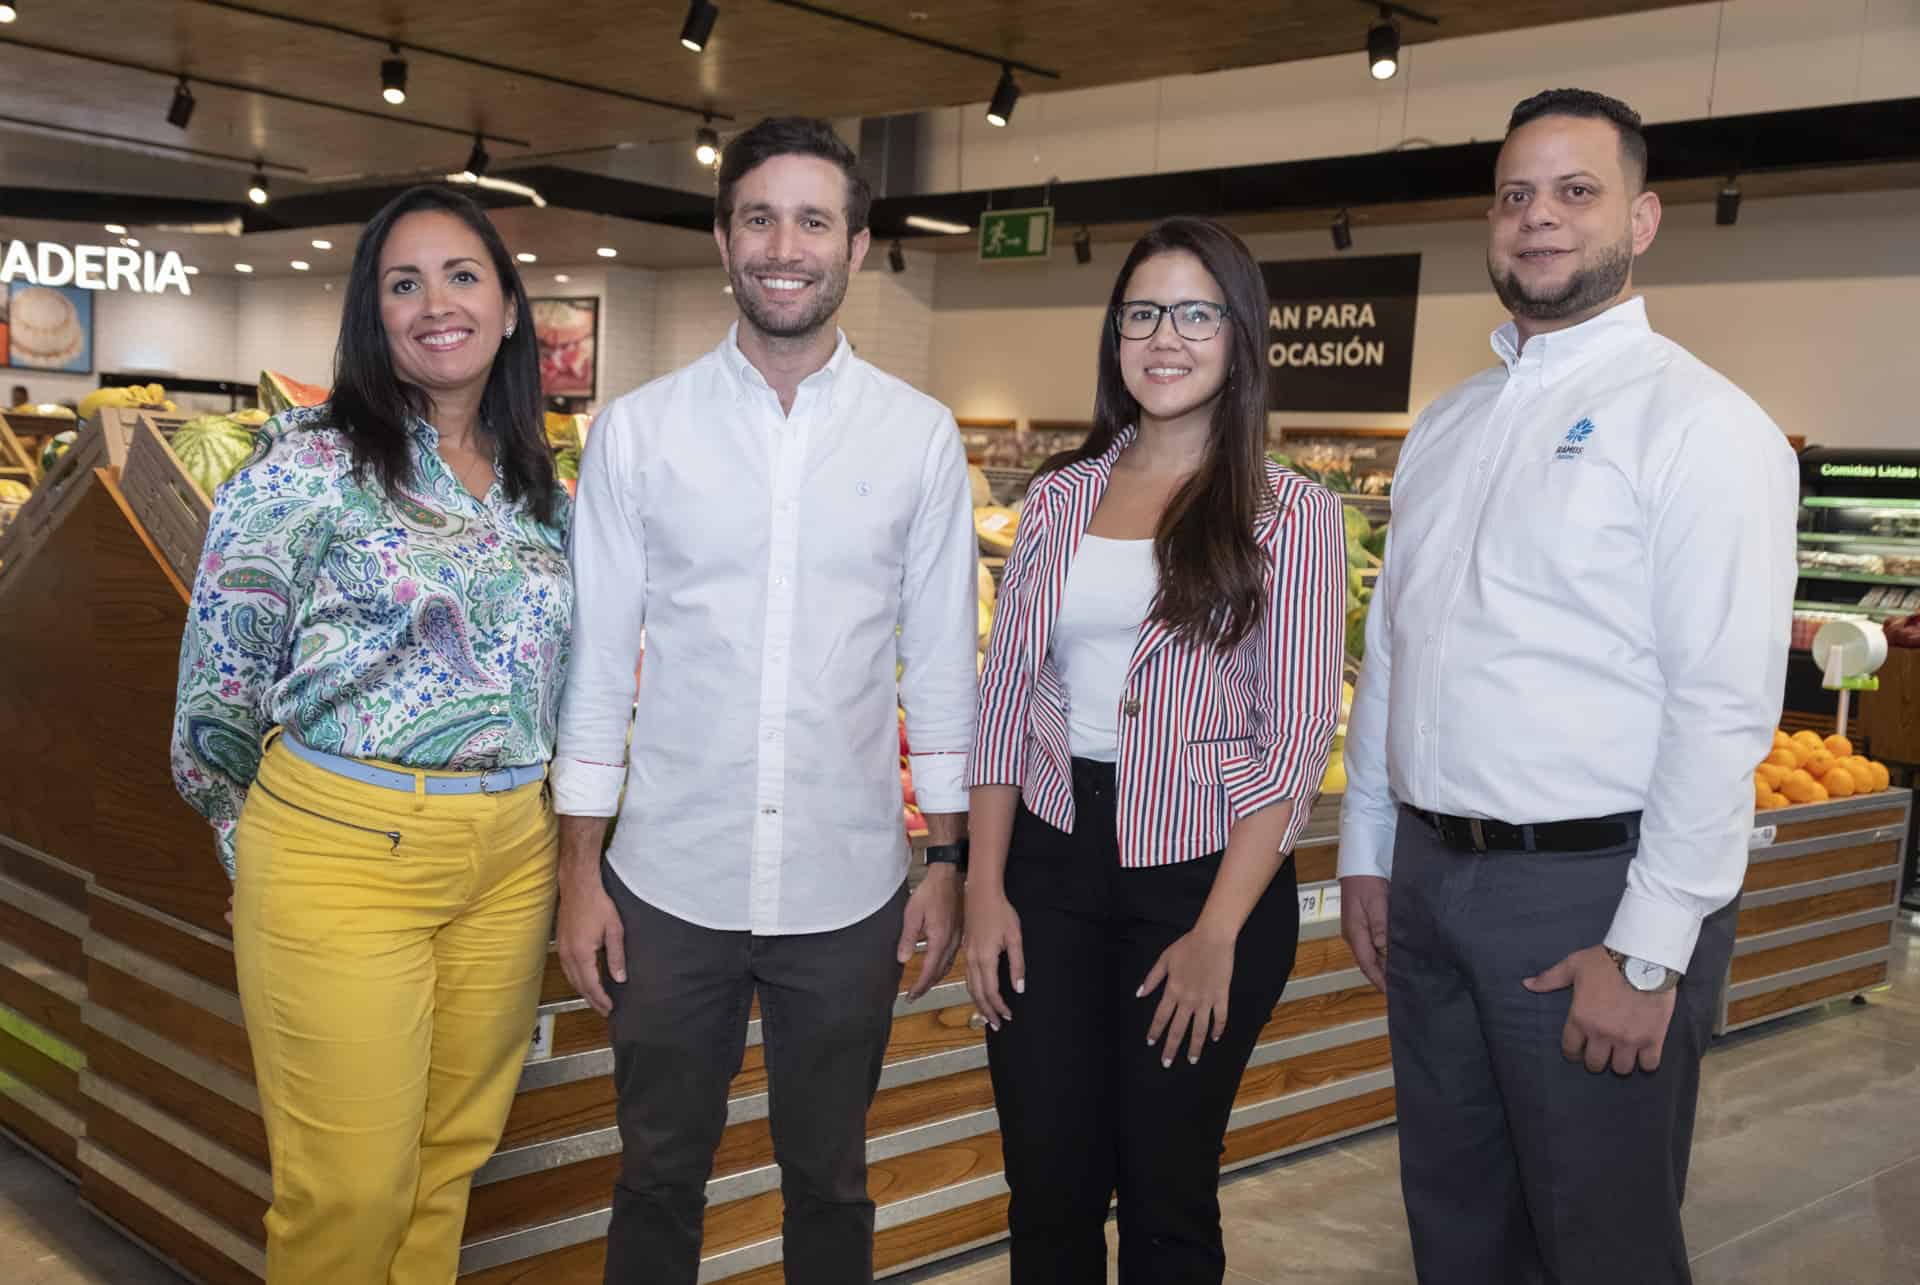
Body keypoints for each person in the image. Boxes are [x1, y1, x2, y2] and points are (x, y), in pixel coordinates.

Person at [1337, 88, 1798, 1284]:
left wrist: (1650, 949)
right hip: (1434, 886)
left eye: (1575, 193)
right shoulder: (1449, 423)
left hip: (1591, 893)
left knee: (1600, 1242)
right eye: (1516, 194)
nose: (1538, 219)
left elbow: (1722, 707)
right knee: (1456, 1222)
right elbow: (1397, 649)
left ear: (1641, 221)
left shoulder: (1700, 424)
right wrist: (1371, 851)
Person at [551, 116, 979, 1285]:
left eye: (812, 219)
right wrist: (579, 870)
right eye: (759, 216)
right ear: (722, 236)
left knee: (830, 1183)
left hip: (848, 890)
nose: (783, 244)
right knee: (653, 1177)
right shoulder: (638, 433)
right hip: (667, 886)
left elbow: (941, 665)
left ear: (857, 243)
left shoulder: (919, 439)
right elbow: (595, 668)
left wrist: (948, 858)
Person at [170, 185, 569, 1283]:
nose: (435, 302)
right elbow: (221, 676)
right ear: (373, 315)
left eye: (462, 275)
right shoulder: (305, 465)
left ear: (510, 305)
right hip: (340, 847)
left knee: (446, 1168)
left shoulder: (545, 493)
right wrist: (238, 834)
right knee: (347, 1191)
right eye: (404, 283)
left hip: (508, 856)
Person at [965, 216, 1346, 1283]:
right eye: (1142, 313)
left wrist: (1221, 929)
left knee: (1168, 1188)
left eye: (1195, 313)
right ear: (1115, 335)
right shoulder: (1057, 497)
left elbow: (1294, 743)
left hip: (1204, 873)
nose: (1164, 337)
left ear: (1240, 337)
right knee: (1048, 1185)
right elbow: (1006, 704)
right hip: (1048, 862)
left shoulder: (1294, 517)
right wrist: (984, 889)